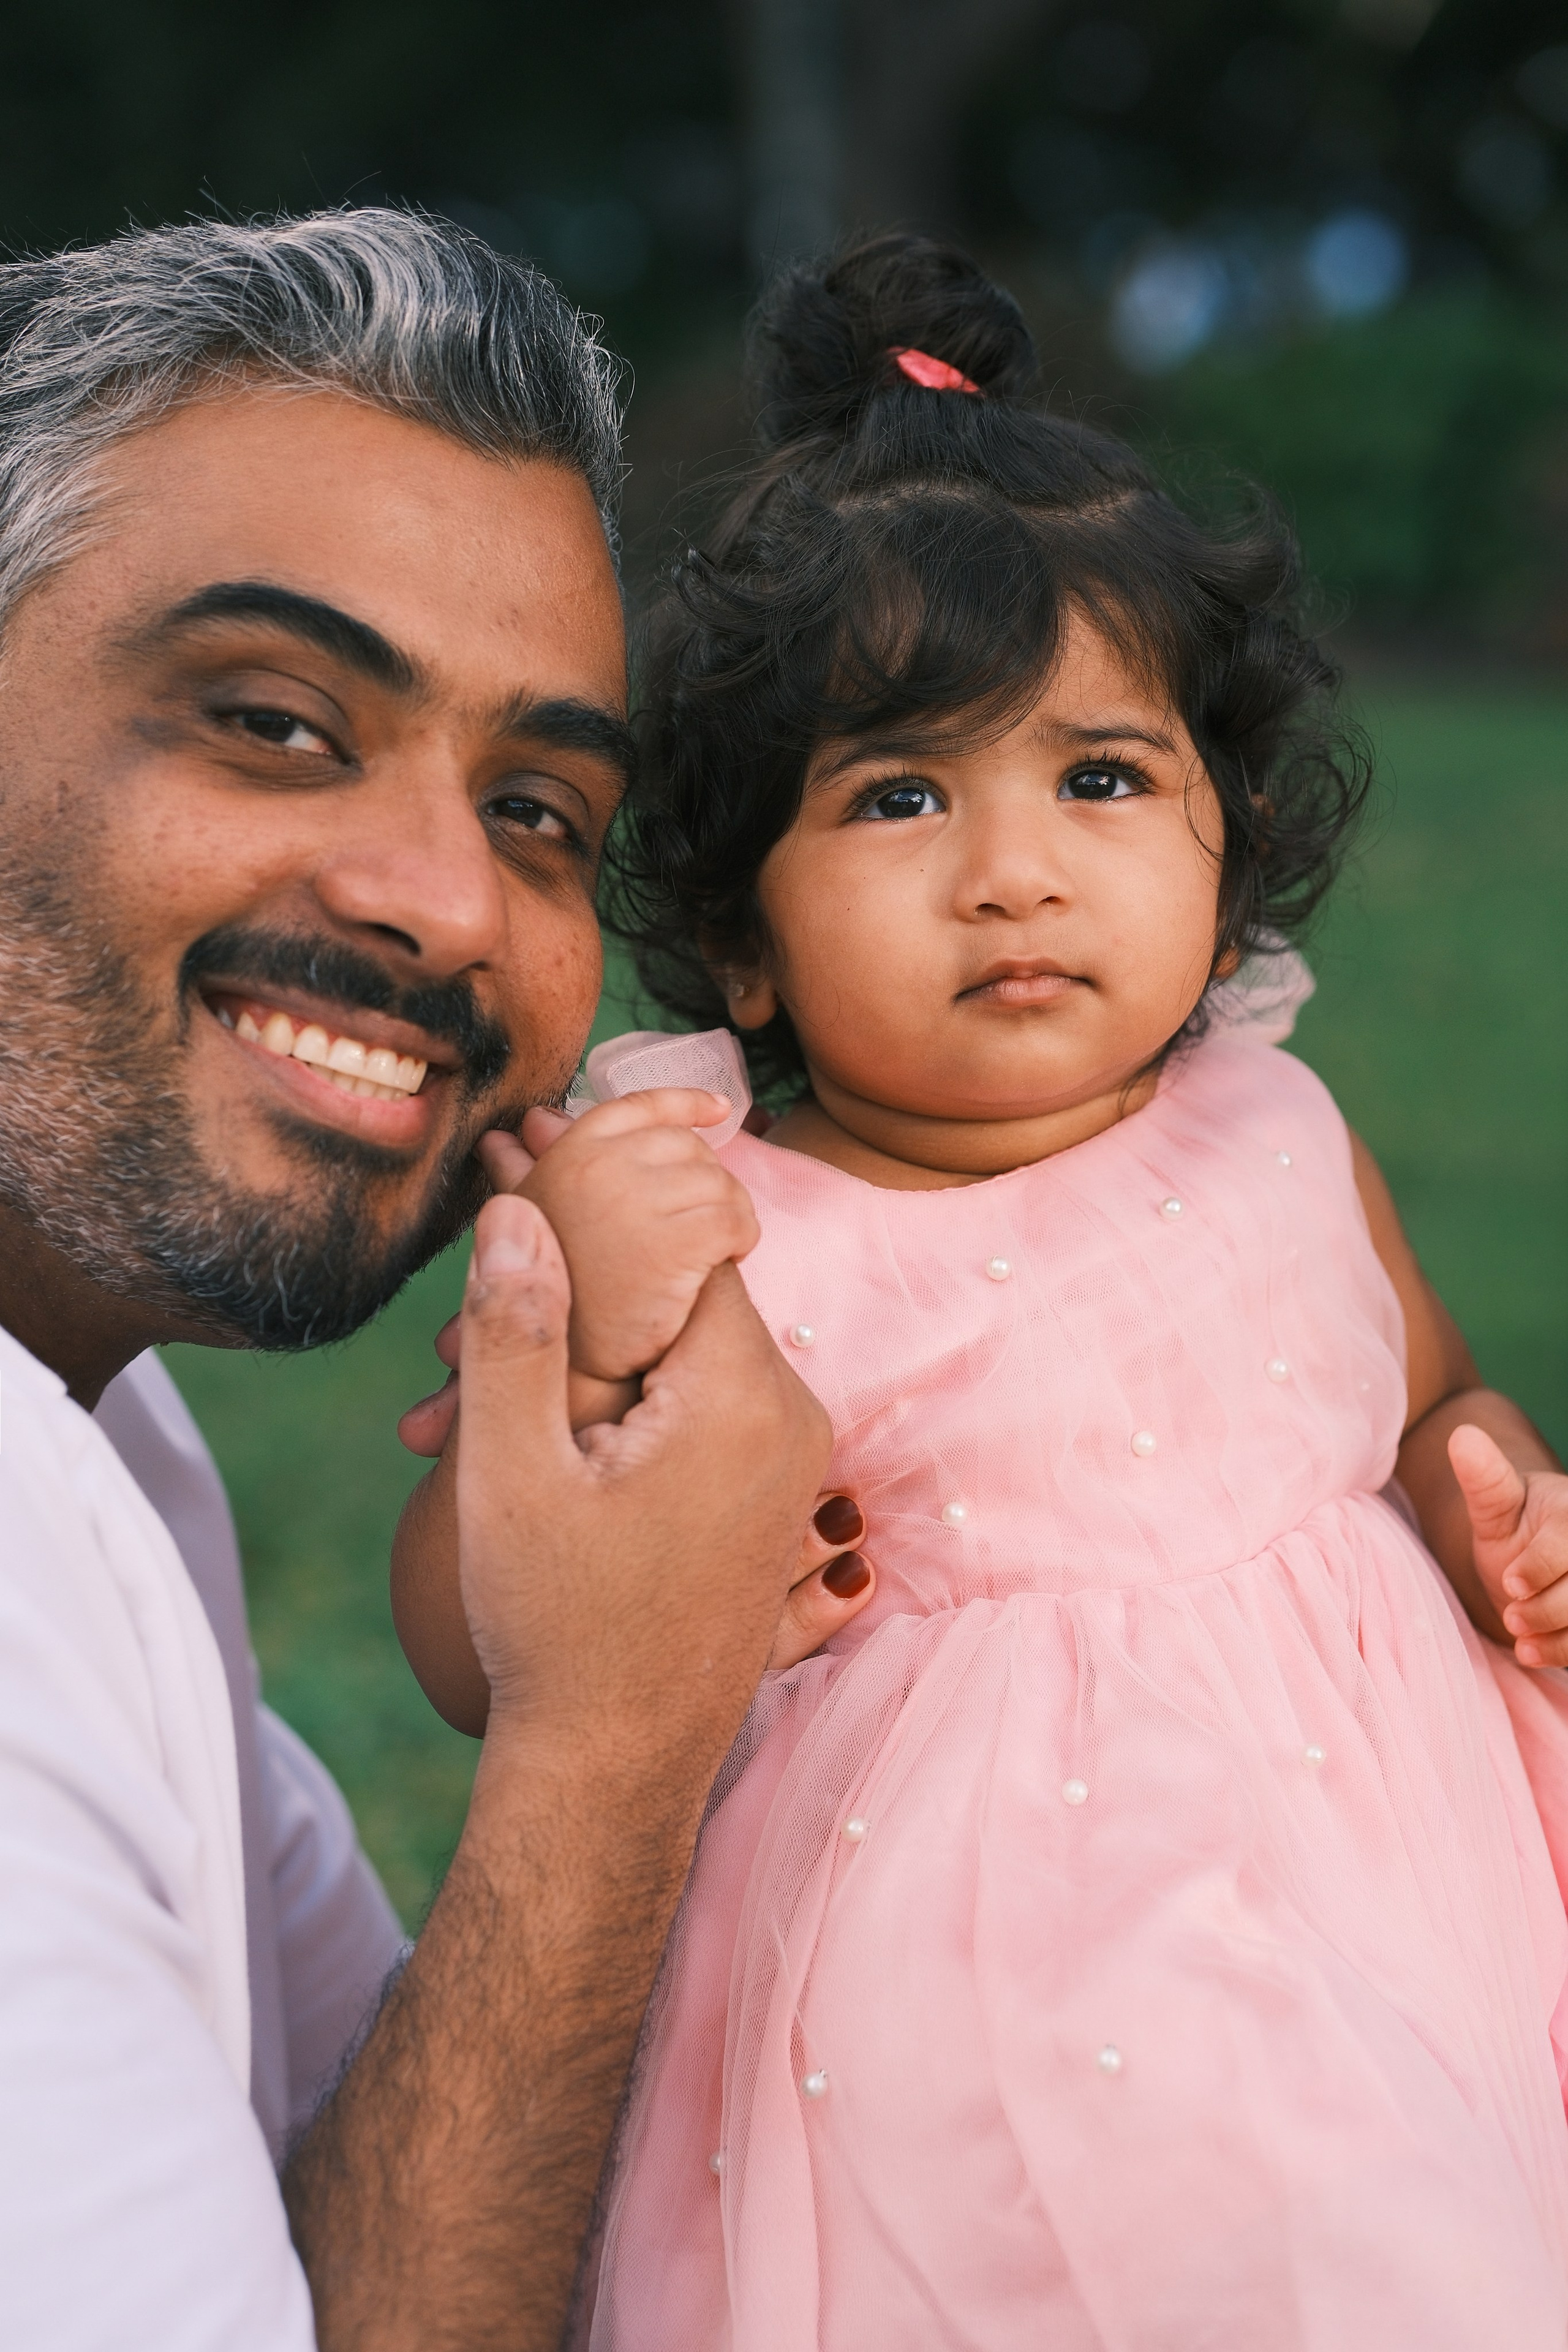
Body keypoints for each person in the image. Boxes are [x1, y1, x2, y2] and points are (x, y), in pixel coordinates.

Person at [393, 235, 1568, 2348]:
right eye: (903, 795)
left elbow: (1420, 1400)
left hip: (1377, 1879)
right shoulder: (719, 1228)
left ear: (1228, 855)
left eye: (1101, 778)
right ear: (743, 939)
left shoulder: (1275, 1132)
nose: (1013, 867)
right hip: (957, 2002)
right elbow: (481, 1649)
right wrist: (588, 1295)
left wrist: (1495, 1496)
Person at [0, 206, 880, 2352]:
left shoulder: (107, 1441)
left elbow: (355, 2196)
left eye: (543, 810)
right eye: (280, 722)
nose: (445, 905)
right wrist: (610, 1735)